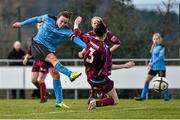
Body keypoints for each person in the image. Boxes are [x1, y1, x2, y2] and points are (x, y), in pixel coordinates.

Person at [12, 11, 86, 108]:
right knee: (52, 59)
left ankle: (59, 102)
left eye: (65, 23)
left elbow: (75, 39)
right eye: (62, 21)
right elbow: (35, 19)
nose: (63, 24)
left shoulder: (67, 30)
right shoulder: (47, 18)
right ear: (57, 18)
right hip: (37, 45)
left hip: (49, 50)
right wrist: (21, 24)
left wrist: (86, 46)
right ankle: (70, 74)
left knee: (56, 75)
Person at [75, 19, 134, 110]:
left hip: (89, 75)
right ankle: (95, 103)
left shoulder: (89, 39)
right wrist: (125, 66)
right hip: (99, 79)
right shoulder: (104, 50)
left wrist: (76, 23)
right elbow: (108, 67)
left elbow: (77, 32)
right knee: (115, 100)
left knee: (102, 90)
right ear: (105, 33)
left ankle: (93, 95)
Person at [134, 33, 171, 101]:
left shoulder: (162, 47)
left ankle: (167, 97)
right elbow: (152, 57)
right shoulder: (153, 47)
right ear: (152, 40)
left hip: (161, 68)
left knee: (162, 83)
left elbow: (160, 57)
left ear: (160, 40)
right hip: (153, 68)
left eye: (157, 39)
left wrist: (152, 63)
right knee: (146, 81)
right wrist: (150, 63)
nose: (155, 40)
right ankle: (142, 97)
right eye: (154, 39)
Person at [23, 23, 50, 103]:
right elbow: (31, 48)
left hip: (44, 61)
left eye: (42, 25)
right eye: (39, 25)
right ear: (37, 27)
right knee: (33, 80)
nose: (41, 27)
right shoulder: (34, 36)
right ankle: (45, 93)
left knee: (41, 80)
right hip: (36, 61)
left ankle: (43, 98)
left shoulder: (47, 37)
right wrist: (26, 57)